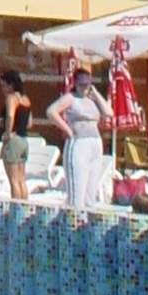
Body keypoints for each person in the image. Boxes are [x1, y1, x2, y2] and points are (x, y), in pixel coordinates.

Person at [48, 68, 109, 209]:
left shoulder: (92, 99)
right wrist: (68, 130)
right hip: (79, 143)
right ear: (75, 83)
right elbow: (51, 111)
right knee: (77, 194)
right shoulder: (70, 97)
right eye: (81, 85)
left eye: (87, 85)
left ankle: (87, 218)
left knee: (90, 193)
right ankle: (74, 218)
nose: (84, 88)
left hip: (95, 143)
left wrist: (96, 94)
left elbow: (108, 112)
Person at [0, 70, 33, 201]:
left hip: (13, 140)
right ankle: (25, 207)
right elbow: (29, 123)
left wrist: (7, 133)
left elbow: (10, 115)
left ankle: (16, 209)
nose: (2, 89)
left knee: (13, 180)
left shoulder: (11, 98)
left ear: (11, 85)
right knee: (21, 180)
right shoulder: (26, 99)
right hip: (24, 141)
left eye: (3, 85)